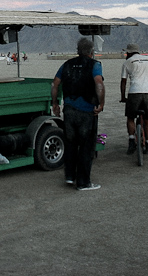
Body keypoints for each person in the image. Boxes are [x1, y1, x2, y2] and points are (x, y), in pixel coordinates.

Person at [51, 38, 105, 191]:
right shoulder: (95, 65)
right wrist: (101, 104)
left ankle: (69, 176)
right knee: (86, 146)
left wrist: (55, 103)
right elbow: (99, 84)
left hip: (69, 110)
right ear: (92, 51)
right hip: (86, 111)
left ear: (77, 50)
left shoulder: (66, 64)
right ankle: (83, 182)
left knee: (71, 144)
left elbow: (55, 84)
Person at [120, 43, 148, 155]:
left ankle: (132, 141)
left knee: (130, 118)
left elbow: (123, 81)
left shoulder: (127, 62)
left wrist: (123, 97)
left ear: (129, 52)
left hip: (134, 92)